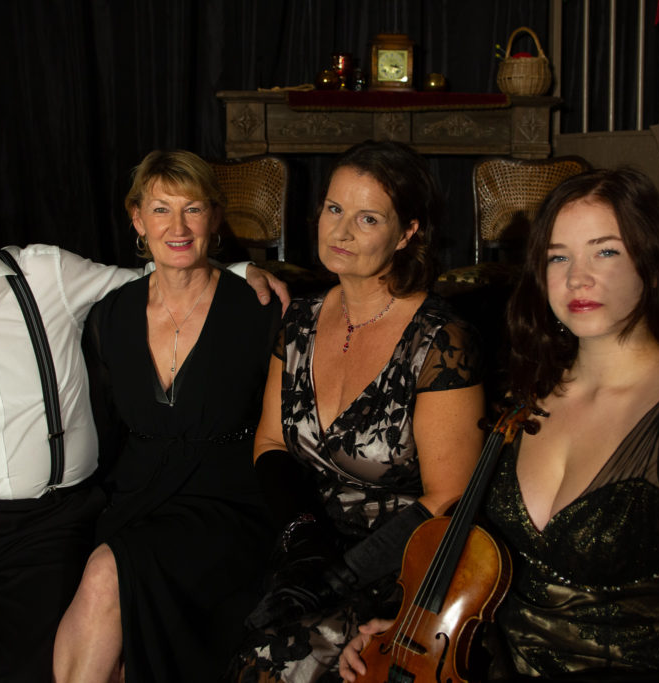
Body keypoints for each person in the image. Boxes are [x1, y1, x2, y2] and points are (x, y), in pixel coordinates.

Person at [0, 153, 287, 683]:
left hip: (51, 520)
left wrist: (238, 272)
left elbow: (155, 277)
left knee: (34, 672)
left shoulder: (45, 273)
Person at [340, 167, 659, 682]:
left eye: (606, 251)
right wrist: (415, 634)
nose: (578, 278)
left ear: (652, 264)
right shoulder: (524, 399)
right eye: (559, 257)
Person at [235, 140, 486, 682]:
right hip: (304, 549)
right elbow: (271, 442)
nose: (341, 231)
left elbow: (449, 497)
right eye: (334, 209)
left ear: (407, 232)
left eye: (367, 218)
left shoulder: (440, 340)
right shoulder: (298, 320)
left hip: (399, 571)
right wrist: (304, 540)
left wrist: (340, 578)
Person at [51, 150, 281, 682]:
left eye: (192, 209)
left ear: (214, 218)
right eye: (160, 210)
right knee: (109, 608)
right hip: (136, 495)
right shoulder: (110, 315)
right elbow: (106, 428)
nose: (177, 227)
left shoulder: (259, 309)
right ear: (137, 219)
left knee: (109, 572)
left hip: (229, 500)